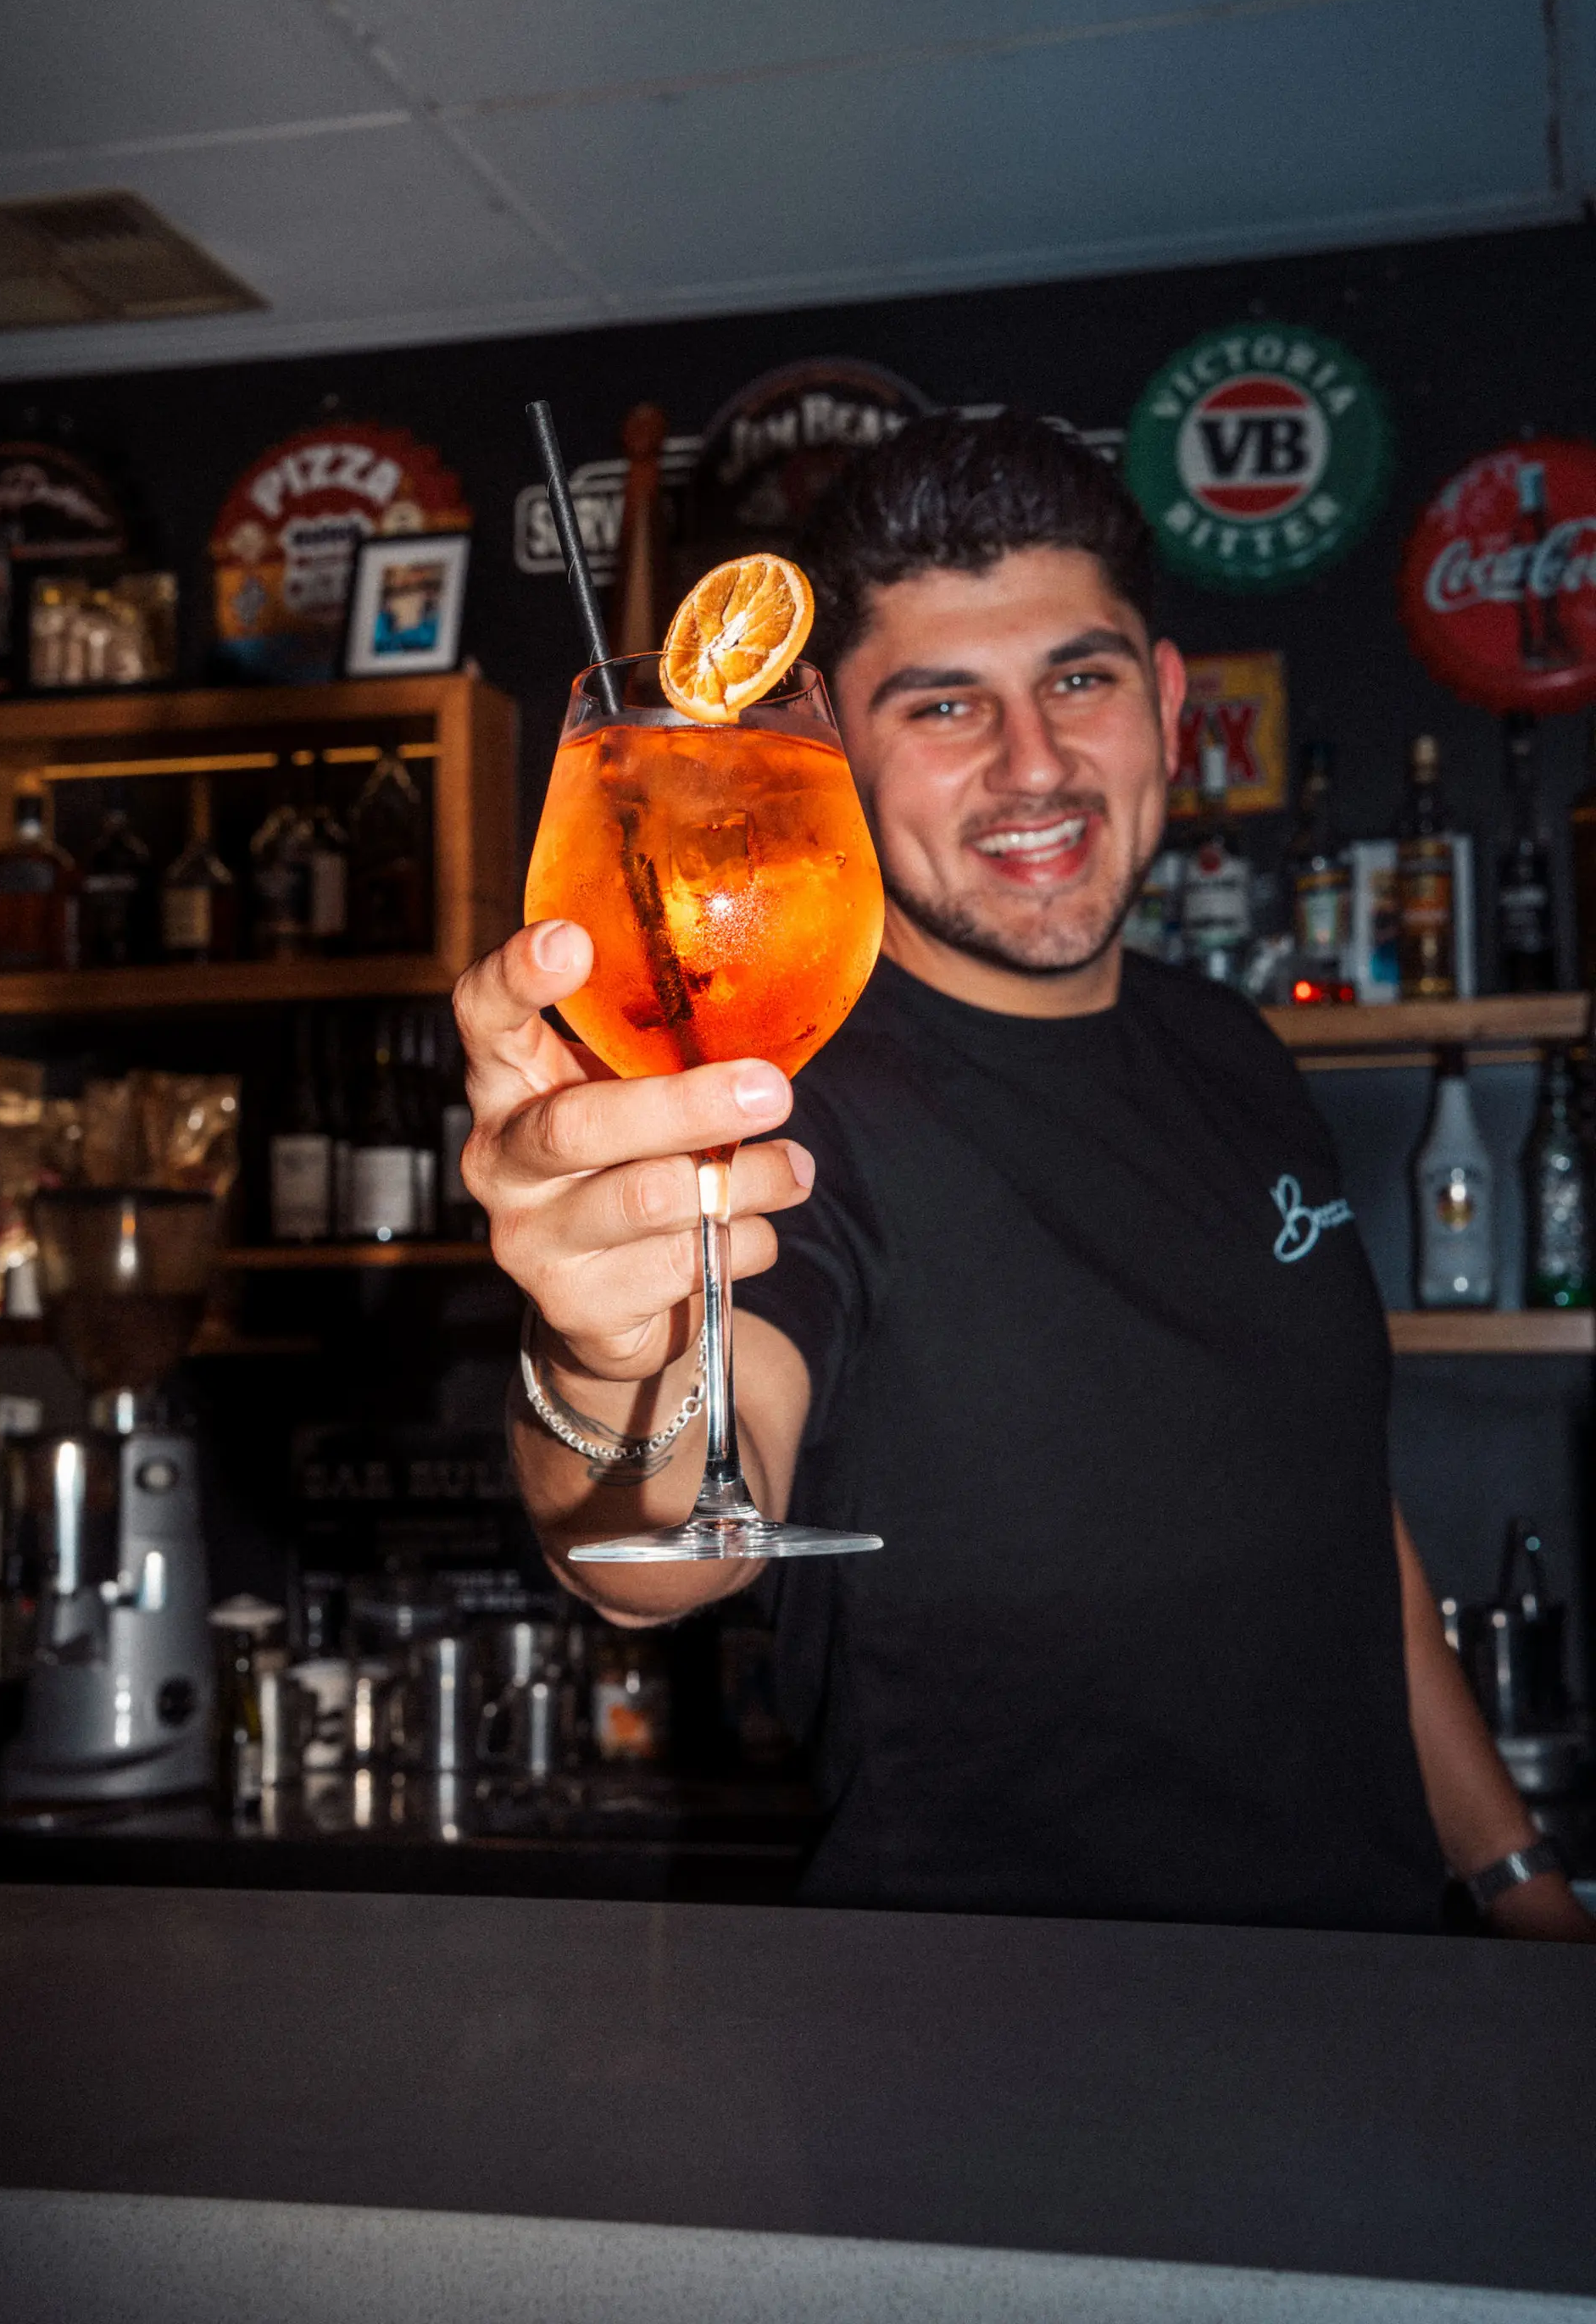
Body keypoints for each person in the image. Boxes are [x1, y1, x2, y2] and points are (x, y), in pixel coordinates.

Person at [457, 412, 1592, 1940]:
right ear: (831, 756)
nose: (1035, 764)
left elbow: (1337, 1514)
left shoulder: (1231, 1050)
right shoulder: (787, 1102)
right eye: (943, 705)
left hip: (1372, 1996)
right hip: (991, 2055)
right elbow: (641, 1564)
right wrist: (601, 1357)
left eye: (1078, 678)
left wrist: (1517, 1879)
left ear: (1169, 702)